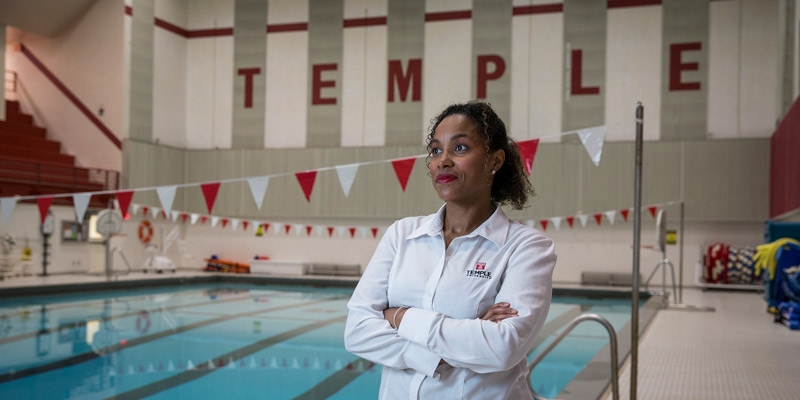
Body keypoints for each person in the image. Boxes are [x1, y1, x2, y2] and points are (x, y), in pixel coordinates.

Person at [344, 101, 557, 399]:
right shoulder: (401, 235)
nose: (443, 161)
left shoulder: (527, 248)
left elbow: (502, 348)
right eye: (435, 150)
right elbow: (356, 332)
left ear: (495, 160)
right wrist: (453, 344)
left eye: (459, 148)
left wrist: (399, 317)